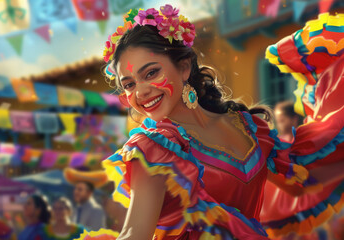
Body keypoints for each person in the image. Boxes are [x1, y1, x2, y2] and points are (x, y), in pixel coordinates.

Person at [77, 6, 344, 239]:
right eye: (129, 85)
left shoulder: (249, 126)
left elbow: (301, 183)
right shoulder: (153, 149)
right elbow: (135, 234)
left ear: (183, 68)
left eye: (151, 73)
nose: (141, 92)